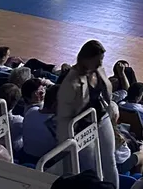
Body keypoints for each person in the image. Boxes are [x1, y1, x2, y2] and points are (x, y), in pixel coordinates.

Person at [57, 39, 117, 182]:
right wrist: (66, 141)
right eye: (97, 60)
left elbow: (107, 94)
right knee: (92, 169)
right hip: (83, 127)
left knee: (110, 161)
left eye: (101, 60)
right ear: (85, 59)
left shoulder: (99, 71)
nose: (100, 64)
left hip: (102, 119)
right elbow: (64, 115)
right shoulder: (71, 82)